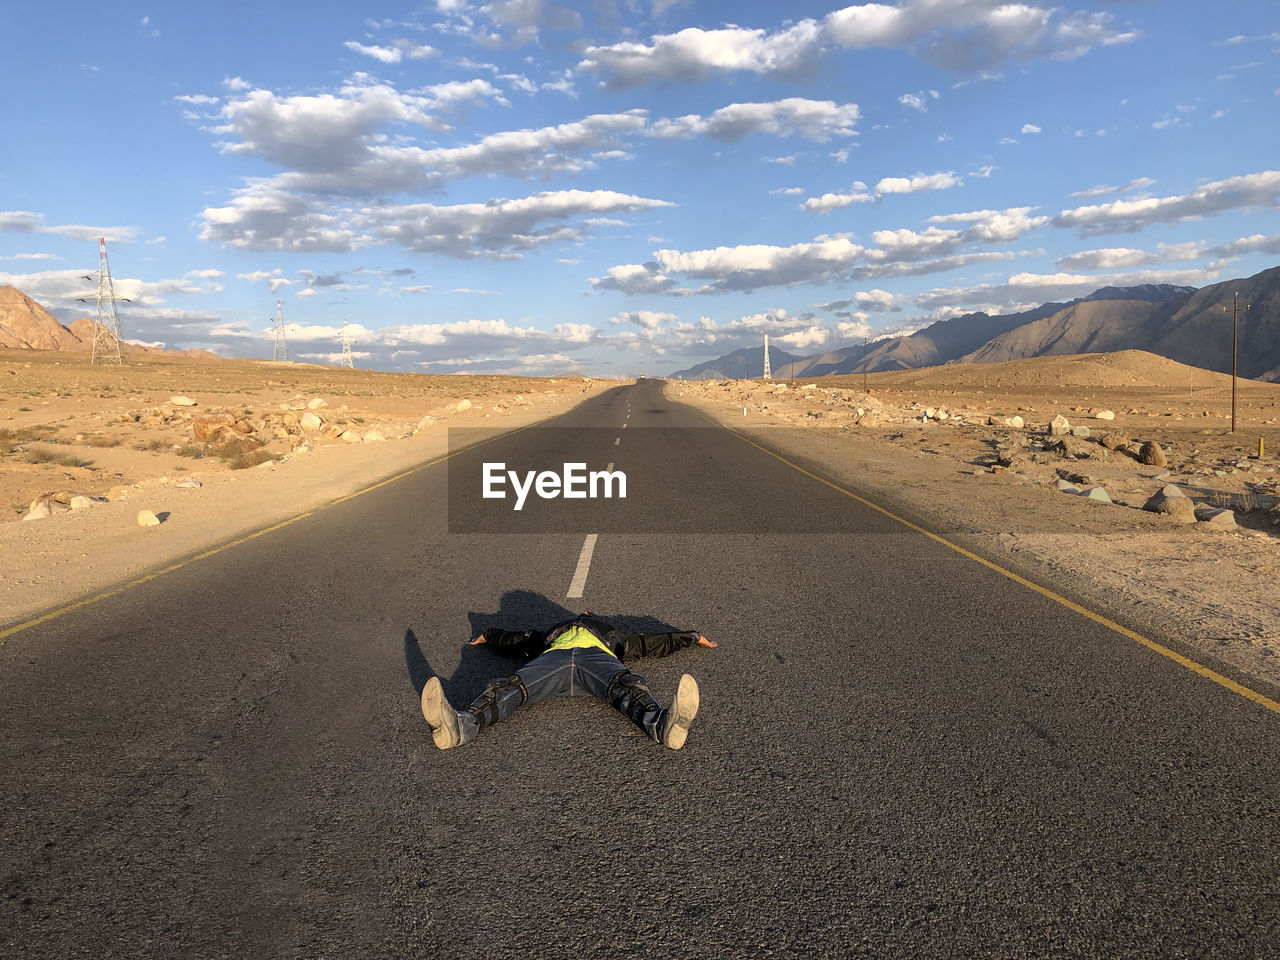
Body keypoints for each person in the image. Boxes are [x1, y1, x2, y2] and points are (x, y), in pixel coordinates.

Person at [421, 612, 717, 750]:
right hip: (555, 659)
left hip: (596, 660)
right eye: (579, 616)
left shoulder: (613, 638)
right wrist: (488, 633)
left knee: (628, 685)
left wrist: (689, 637)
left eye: (587, 616)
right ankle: (459, 727)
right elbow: (517, 639)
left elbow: (652, 643)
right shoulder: (550, 636)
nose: (581, 616)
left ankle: (662, 725)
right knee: (510, 686)